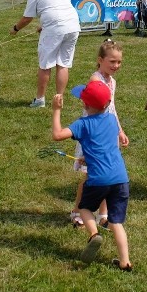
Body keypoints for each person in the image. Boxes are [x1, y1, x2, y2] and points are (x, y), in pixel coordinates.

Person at [52, 81, 131, 270]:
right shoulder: (112, 120)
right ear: (107, 104)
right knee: (116, 222)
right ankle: (125, 262)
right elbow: (102, 146)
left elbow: (57, 135)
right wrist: (87, 159)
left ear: (85, 105)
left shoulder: (83, 124)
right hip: (121, 179)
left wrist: (56, 110)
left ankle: (94, 234)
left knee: (85, 208)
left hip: (98, 180)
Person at [69, 40, 128, 229]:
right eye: (112, 61)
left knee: (107, 175)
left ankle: (104, 214)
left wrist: (119, 131)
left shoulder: (112, 82)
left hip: (108, 133)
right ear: (100, 60)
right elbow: (90, 109)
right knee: (89, 177)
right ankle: (77, 211)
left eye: (119, 62)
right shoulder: (95, 80)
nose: (116, 66)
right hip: (94, 135)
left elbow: (112, 108)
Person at [11, 0, 81, 108]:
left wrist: (15, 29)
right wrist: (44, 25)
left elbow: (27, 19)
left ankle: (40, 100)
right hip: (73, 25)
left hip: (56, 28)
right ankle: (59, 98)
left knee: (45, 65)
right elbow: (56, 7)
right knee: (63, 64)